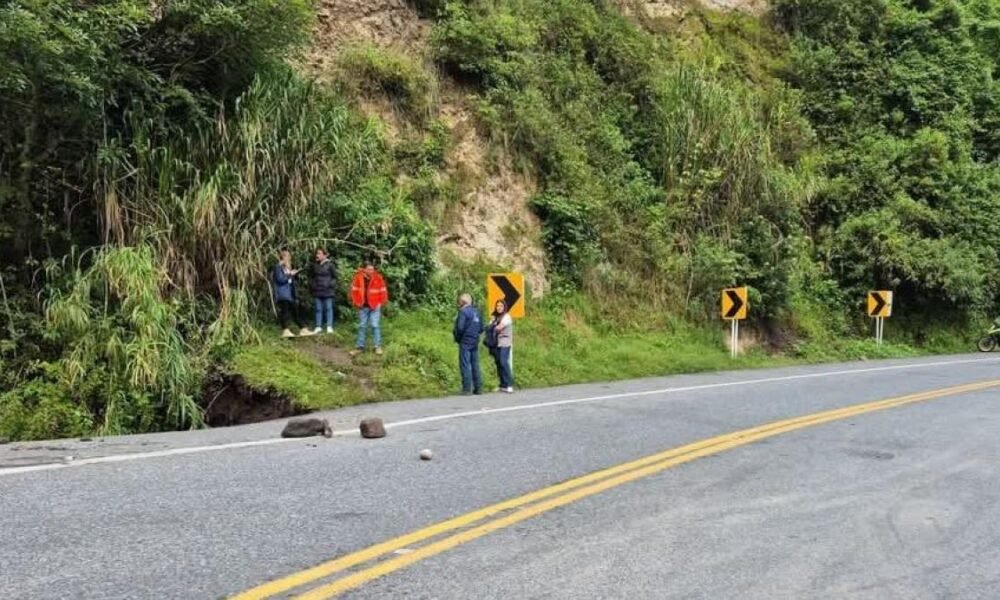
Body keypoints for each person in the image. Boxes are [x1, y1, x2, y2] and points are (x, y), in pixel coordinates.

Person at [350, 259, 388, 355]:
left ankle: (377, 346)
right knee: (362, 326)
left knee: (375, 325)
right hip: (363, 306)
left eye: (372, 269)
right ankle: (359, 347)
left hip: (375, 306)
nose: (371, 271)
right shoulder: (358, 278)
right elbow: (354, 291)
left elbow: (383, 291)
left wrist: (381, 303)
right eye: (369, 269)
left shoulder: (378, 278)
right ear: (364, 270)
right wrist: (356, 302)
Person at [272, 250, 314, 338]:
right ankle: (285, 330)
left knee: (295, 312)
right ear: (282, 257)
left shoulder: (286, 268)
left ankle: (303, 329)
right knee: (285, 312)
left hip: (289, 294)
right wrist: (290, 274)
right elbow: (280, 280)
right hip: (282, 293)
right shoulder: (278, 267)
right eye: (287, 256)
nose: (289, 258)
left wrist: (291, 274)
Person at [453, 293, 484, 395]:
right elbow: (481, 328)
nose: (458, 303)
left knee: (465, 364)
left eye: (459, 301)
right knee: (475, 364)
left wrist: (457, 337)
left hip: (465, 341)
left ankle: (467, 389)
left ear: (462, 302)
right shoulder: (477, 312)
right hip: (475, 341)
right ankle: (478, 388)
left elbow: (460, 328)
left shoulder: (463, 312)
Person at [486, 299, 514, 393]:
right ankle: (503, 384)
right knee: (498, 363)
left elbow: (498, 328)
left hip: (505, 342)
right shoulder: (495, 317)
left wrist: (493, 325)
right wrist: (492, 323)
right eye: (497, 306)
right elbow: (488, 327)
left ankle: (509, 384)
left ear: (504, 307)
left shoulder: (506, 317)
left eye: (501, 306)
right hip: (496, 343)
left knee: (503, 361)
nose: (499, 308)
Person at [309, 248, 337, 334]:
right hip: (317, 290)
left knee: (328, 308)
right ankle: (318, 326)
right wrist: (313, 285)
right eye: (317, 253)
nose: (317, 255)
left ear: (325, 255)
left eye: (319, 253)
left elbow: (335, 277)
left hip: (327, 290)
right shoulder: (315, 265)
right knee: (318, 309)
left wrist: (330, 284)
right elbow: (311, 277)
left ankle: (329, 326)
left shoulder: (330, 265)